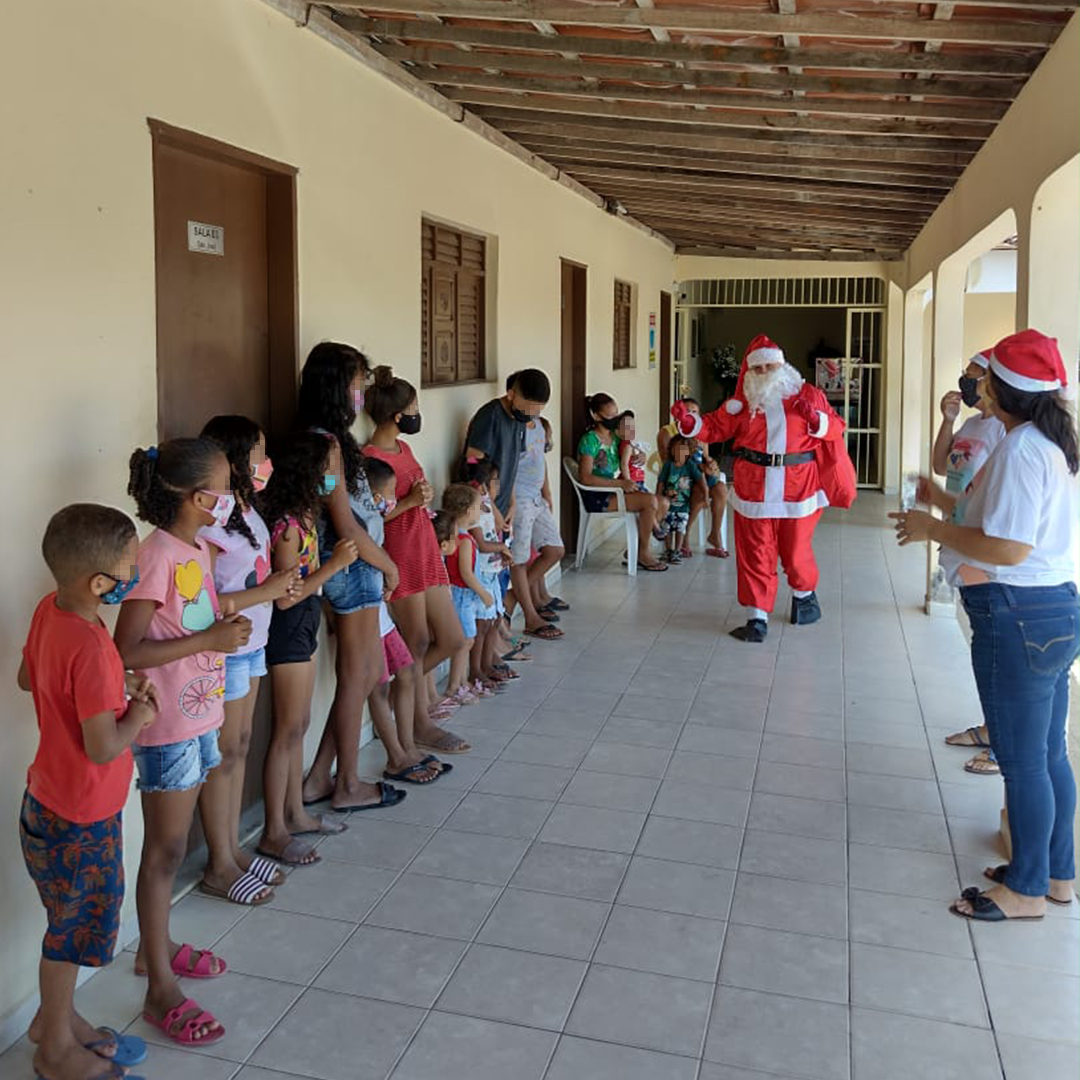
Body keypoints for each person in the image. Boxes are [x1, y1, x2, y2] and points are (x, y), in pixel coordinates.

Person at [891, 329, 1078, 922]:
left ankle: (1024, 890)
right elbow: (994, 515)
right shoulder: (1046, 441)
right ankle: (1054, 872)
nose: (978, 383)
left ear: (1000, 388)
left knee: (1023, 761)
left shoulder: (1024, 449)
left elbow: (1009, 546)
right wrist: (943, 507)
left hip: (1016, 611)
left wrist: (933, 529)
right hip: (1050, 607)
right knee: (1049, 754)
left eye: (985, 375)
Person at [115, 438, 251, 1045]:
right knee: (165, 853)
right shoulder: (156, 555)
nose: (233, 495)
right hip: (166, 723)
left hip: (199, 714)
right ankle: (159, 987)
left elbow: (196, 618)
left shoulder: (195, 546)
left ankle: (155, 948)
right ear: (199, 498)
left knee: (174, 846)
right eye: (226, 486)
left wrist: (227, 626)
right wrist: (207, 643)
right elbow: (128, 649)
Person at [19, 504, 157, 1080]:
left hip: (45, 801)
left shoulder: (51, 610)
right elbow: (103, 747)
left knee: (64, 919)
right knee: (72, 932)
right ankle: (53, 1051)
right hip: (82, 815)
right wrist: (139, 715)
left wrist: (104, 689)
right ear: (99, 583)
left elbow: (30, 677)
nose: (135, 575)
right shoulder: (95, 646)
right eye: (130, 567)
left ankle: (56, 1020)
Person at [673, 335, 849, 641]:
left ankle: (804, 595)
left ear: (783, 365)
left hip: (799, 486)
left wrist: (817, 419)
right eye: (760, 367)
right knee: (755, 553)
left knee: (795, 552)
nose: (766, 371)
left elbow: (836, 427)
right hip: (754, 487)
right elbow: (714, 427)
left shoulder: (808, 393)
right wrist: (690, 423)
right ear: (750, 371)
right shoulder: (742, 401)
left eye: (772, 365)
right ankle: (757, 617)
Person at [295, 343, 405, 813]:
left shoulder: (318, 437)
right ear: (338, 387)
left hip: (346, 564)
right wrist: (389, 564)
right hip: (352, 567)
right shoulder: (328, 446)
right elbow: (345, 524)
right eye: (357, 381)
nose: (361, 391)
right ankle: (348, 786)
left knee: (356, 678)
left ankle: (322, 776)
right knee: (356, 677)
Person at [197, 416, 302, 898]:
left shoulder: (247, 508)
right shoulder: (211, 525)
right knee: (223, 753)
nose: (266, 462)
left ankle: (233, 849)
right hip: (229, 648)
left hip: (253, 644)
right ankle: (218, 863)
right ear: (235, 461)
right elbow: (205, 604)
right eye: (258, 453)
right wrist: (270, 589)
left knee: (238, 746)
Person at [257, 433, 362, 867]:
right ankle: (273, 831)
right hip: (288, 629)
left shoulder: (304, 517)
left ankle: (296, 815)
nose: (332, 478)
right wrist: (336, 566)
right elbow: (285, 595)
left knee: (298, 726)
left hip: (305, 626)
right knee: (286, 731)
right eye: (328, 469)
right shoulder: (286, 526)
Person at [363, 366, 470, 756]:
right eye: (413, 407)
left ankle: (400, 699)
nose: (416, 413)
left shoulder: (403, 449)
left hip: (424, 545)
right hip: (399, 553)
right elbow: (369, 518)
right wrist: (408, 502)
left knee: (453, 639)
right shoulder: (369, 458)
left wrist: (422, 498)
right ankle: (418, 721)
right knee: (418, 641)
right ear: (396, 416)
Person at [932, 353, 1007, 776]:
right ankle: (989, 728)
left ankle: (1000, 742)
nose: (967, 383)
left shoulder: (1006, 431)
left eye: (975, 378)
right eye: (966, 376)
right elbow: (942, 465)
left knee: (993, 648)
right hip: (960, 540)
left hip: (982, 553)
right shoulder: (974, 424)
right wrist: (947, 420)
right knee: (983, 642)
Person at [359, 453, 451, 782]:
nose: (390, 502)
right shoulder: (358, 520)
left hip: (379, 610)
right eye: (386, 496)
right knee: (377, 686)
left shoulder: (368, 518)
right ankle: (397, 756)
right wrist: (389, 569)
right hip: (364, 609)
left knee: (407, 671)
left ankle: (408, 746)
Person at [464, 369, 564, 637]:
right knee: (504, 565)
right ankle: (516, 624)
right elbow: (474, 462)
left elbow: (512, 466)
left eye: (537, 410)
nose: (531, 415)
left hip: (507, 502)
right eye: (528, 408)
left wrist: (510, 503)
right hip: (483, 506)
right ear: (511, 394)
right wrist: (492, 508)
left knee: (545, 553)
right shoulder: (490, 416)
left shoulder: (522, 418)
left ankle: (507, 613)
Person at [577, 393, 668, 572]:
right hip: (597, 495)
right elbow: (585, 478)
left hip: (615, 491)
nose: (614, 420)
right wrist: (620, 484)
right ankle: (643, 552)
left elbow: (629, 449)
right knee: (650, 501)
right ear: (596, 416)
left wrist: (639, 455)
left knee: (663, 503)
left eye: (616, 414)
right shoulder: (589, 440)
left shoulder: (614, 437)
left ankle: (636, 550)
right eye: (610, 416)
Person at [503, 402, 569, 635]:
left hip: (537, 499)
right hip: (519, 500)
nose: (537, 408)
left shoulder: (540, 426)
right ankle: (531, 618)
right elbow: (506, 470)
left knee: (555, 550)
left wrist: (547, 494)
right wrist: (511, 503)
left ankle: (511, 596)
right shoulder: (512, 429)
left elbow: (541, 462)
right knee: (519, 560)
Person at [441, 484, 497, 704]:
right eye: (477, 507)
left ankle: (462, 682)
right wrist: (483, 593)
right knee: (464, 642)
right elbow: (465, 573)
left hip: (463, 596)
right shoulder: (463, 541)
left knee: (467, 640)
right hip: (462, 596)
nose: (480, 511)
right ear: (467, 511)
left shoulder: (461, 538)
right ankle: (454, 686)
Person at [465, 461, 519, 685]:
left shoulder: (486, 506)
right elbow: (481, 544)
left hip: (493, 573)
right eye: (495, 482)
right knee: (482, 625)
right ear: (482, 487)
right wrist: (503, 549)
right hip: (481, 575)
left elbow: (499, 527)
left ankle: (487, 664)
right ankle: (476, 669)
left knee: (496, 620)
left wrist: (503, 554)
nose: (499, 486)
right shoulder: (473, 513)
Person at [658, 396, 729, 558]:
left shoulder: (700, 430)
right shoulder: (666, 433)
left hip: (699, 474)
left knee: (720, 488)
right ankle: (685, 535)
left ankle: (715, 534)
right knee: (698, 491)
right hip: (678, 479)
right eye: (686, 411)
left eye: (694, 412)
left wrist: (712, 465)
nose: (689, 415)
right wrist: (700, 469)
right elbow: (671, 463)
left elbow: (706, 456)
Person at [657, 435, 706, 564]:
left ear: (689, 452)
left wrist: (706, 495)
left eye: (683, 450)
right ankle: (668, 550)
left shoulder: (690, 465)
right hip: (668, 504)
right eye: (677, 449)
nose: (680, 452)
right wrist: (658, 497)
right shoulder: (668, 465)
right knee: (666, 528)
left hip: (683, 506)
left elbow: (701, 480)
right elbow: (661, 481)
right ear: (671, 450)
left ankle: (677, 551)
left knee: (680, 528)